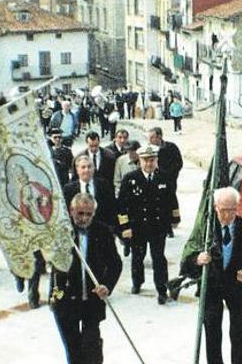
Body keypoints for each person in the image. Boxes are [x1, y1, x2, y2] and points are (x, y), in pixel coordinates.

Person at [182, 187, 242, 364]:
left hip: (235, 286)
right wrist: (197, 259)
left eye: (232, 209)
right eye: (223, 210)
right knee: (212, 331)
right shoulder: (206, 228)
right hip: (212, 285)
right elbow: (188, 256)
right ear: (215, 207)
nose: (227, 214)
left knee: (239, 330)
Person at [50, 193, 122, 364]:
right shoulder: (61, 231)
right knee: (74, 352)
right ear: (71, 210)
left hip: (91, 301)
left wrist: (106, 285)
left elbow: (115, 264)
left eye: (89, 214)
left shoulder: (102, 231)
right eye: (80, 213)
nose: (84, 218)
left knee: (92, 350)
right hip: (66, 301)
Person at [117, 145, 178, 304]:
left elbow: (172, 199)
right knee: (138, 257)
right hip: (138, 227)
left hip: (158, 227)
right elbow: (122, 206)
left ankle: (162, 289)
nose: (149, 164)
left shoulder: (164, 177)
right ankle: (137, 282)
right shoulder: (130, 179)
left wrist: (175, 218)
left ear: (156, 160)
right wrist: (125, 227)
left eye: (152, 160)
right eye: (145, 160)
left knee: (159, 258)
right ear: (139, 160)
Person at [64, 155, 118, 231]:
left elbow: (112, 207)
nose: (87, 170)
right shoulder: (68, 189)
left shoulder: (104, 185)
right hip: (78, 230)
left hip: (101, 230)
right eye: (83, 167)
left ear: (93, 169)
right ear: (77, 170)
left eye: (89, 167)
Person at [148, 127, 182, 237]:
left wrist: (168, 174)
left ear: (159, 136)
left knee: (167, 204)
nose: (150, 140)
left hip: (169, 181)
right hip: (153, 181)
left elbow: (178, 163)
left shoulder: (171, 147)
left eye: (152, 137)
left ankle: (168, 227)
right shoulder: (149, 149)